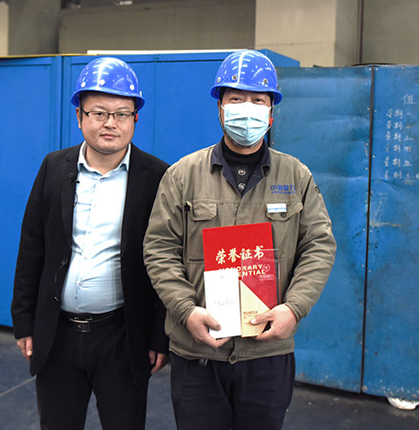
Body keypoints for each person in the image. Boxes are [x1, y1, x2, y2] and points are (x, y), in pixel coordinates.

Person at [143, 49, 337, 430]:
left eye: (258, 100)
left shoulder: (295, 176)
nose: (246, 109)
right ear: (219, 107)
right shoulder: (183, 175)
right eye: (235, 99)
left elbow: (319, 245)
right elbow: (159, 248)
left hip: (266, 353)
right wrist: (185, 310)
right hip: (198, 352)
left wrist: (294, 308)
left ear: (271, 112)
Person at [11, 56, 169, 430]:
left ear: (135, 119)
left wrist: (159, 336)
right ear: (80, 117)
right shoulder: (54, 167)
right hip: (58, 334)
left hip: (122, 335)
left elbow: (168, 259)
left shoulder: (157, 176)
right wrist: (24, 322)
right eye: (98, 113)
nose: (110, 123)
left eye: (122, 114)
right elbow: (32, 246)